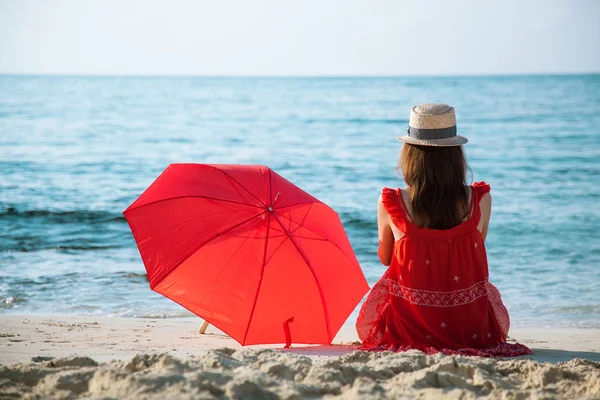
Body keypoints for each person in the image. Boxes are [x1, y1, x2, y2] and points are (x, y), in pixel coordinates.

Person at [355, 103, 531, 357]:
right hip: (469, 329)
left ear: (409, 155)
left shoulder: (391, 202)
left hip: (410, 328)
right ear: (456, 156)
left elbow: (385, 260)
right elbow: (474, 247)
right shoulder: (479, 200)